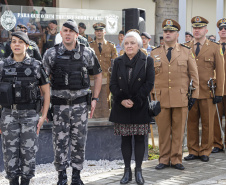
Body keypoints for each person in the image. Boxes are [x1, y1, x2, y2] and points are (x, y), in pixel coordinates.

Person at [42, 19, 102, 185]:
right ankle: (61, 176)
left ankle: (76, 175)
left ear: (77, 34)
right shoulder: (51, 54)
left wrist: (95, 98)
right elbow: (42, 82)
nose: (67, 34)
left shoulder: (87, 53)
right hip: (59, 106)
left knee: (79, 141)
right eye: (65, 31)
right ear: (61, 33)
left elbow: (98, 75)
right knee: (59, 141)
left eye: (71, 31)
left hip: (80, 106)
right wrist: (45, 106)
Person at [0, 31, 50, 185]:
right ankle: (13, 182)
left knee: (28, 152)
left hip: (30, 115)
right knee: (10, 152)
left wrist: (43, 116)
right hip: (8, 114)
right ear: (10, 44)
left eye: (20, 42)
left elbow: (46, 91)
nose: (16, 44)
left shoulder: (36, 65)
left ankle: (26, 182)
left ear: (27, 45)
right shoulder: (2, 65)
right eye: (13, 41)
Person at [151, 19, 199, 170]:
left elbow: (194, 75)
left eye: (171, 31)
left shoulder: (186, 51)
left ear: (177, 34)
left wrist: (194, 96)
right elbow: (150, 77)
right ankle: (164, 159)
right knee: (163, 131)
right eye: (165, 31)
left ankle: (177, 159)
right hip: (161, 97)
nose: (167, 34)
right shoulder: (155, 52)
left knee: (178, 131)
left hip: (180, 97)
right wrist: (151, 96)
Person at [109, 31, 154, 185]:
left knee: (140, 139)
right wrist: (122, 100)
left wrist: (134, 100)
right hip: (122, 106)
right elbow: (112, 84)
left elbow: (149, 84)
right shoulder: (117, 61)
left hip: (139, 105)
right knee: (125, 140)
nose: (129, 46)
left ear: (139, 45)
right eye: (126, 43)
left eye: (132, 43)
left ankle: (139, 171)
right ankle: (127, 171)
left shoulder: (148, 61)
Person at [184, 16, 224, 162]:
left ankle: (205, 151)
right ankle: (193, 150)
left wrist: (219, 92)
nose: (197, 30)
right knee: (191, 123)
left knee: (208, 123)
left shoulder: (214, 47)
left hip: (208, 92)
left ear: (206, 30)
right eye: (195, 27)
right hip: (191, 92)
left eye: (200, 28)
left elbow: (220, 72)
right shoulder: (185, 46)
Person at [90, 22, 117, 118]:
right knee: (94, 101)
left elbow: (115, 65)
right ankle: (94, 122)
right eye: (97, 31)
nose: (99, 33)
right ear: (94, 33)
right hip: (93, 78)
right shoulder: (90, 47)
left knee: (106, 102)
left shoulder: (111, 46)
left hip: (107, 78)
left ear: (104, 32)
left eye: (101, 30)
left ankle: (106, 122)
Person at [212, 18, 226, 153]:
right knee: (216, 117)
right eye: (221, 29)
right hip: (217, 89)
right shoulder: (214, 47)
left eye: (225, 29)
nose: (223, 30)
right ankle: (217, 143)